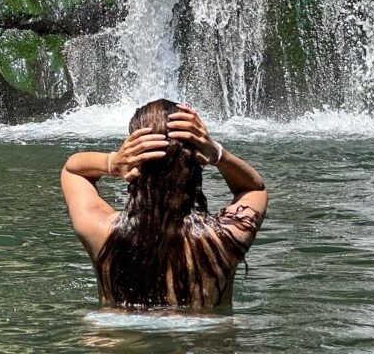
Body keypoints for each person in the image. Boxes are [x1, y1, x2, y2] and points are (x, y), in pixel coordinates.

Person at [60, 99, 267, 308]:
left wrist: (112, 163)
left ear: (133, 157)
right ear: (195, 161)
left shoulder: (101, 232)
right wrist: (218, 154)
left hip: (119, 339)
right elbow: (253, 187)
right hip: (204, 339)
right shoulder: (226, 236)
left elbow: (72, 170)